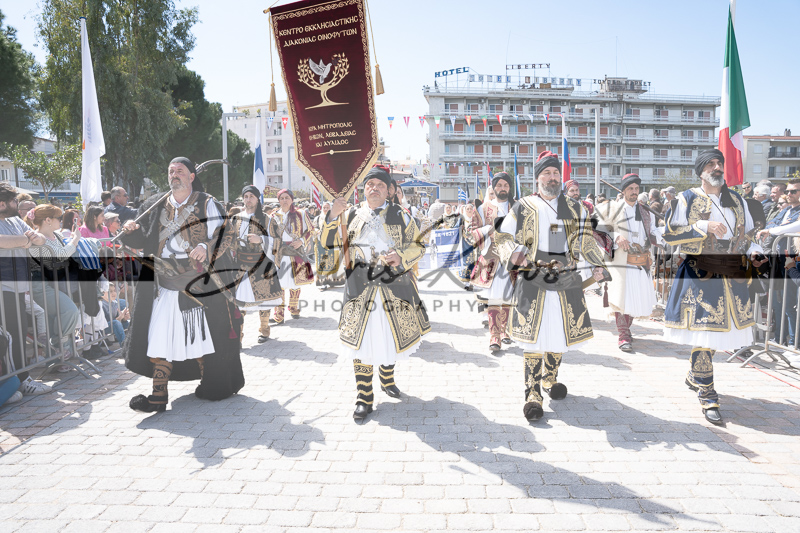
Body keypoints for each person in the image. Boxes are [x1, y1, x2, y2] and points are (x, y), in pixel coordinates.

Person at [119, 157, 244, 413]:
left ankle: (211, 384)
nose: (174, 175)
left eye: (180, 171)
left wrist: (205, 246)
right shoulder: (155, 204)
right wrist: (131, 231)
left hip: (197, 284)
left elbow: (226, 232)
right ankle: (158, 395)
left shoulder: (207, 202)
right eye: (171, 171)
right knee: (159, 337)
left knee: (200, 338)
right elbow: (144, 239)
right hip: (163, 282)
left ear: (191, 176)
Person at [498, 151, 607, 422]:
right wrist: (513, 252)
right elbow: (501, 236)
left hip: (566, 276)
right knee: (534, 337)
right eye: (546, 173)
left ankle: (549, 378)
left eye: (556, 173)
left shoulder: (575, 208)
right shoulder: (522, 206)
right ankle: (532, 393)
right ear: (537, 178)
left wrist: (598, 264)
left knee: (559, 331)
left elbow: (586, 240)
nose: (552, 177)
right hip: (533, 275)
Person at [663, 149, 767, 425]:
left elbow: (746, 235)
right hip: (701, 275)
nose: (717, 167)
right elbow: (669, 235)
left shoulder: (737, 200)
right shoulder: (685, 199)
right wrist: (702, 225)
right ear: (700, 171)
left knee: (719, 335)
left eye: (719, 163)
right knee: (705, 334)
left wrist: (754, 250)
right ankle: (708, 395)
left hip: (732, 274)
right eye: (710, 164)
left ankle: (694, 375)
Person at [322, 166, 429, 421]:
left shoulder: (401, 215)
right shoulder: (349, 214)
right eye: (370, 184)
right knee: (361, 343)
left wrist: (401, 256)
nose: (375, 189)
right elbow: (327, 242)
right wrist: (331, 215)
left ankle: (387, 378)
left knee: (389, 337)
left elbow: (419, 246)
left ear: (389, 190)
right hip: (359, 289)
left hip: (394, 287)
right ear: (363, 189)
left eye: (381, 185)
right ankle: (364, 397)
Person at [595, 174, 664, 351]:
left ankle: (627, 331)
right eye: (630, 189)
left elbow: (653, 231)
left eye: (636, 189)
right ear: (624, 190)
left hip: (640, 261)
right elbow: (597, 228)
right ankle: (623, 335)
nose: (634, 192)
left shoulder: (646, 211)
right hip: (621, 263)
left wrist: (665, 234)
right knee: (621, 299)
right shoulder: (613, 208)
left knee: (635, 300)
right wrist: (616, 236)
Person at [0, 183, 52, 396]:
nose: (17, 203)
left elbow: (40, 238)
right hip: (3, 287)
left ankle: (18, 381)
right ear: (2, 204)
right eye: (14, 201)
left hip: (19, 286)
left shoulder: (14, 221)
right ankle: (19, 380)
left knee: (20, 332)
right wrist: (25, 240)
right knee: (12, 334)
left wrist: (32, 239)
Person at [216, 185, 282, 344]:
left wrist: (261, 240)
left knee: (264, 301)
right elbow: (227, 239)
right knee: (239, 302)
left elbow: (278, 241)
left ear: (257, 199)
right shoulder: (235, 218)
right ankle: (239, 335)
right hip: (240, 265)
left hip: (261, 264)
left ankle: (264, 330)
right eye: (245, 196)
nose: (248, 199)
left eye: (251, 196)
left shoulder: (267, 220)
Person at [27, 205, 82, 360]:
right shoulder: (37, 238)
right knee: (69, 311)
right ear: (48, 220)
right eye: (58, 218)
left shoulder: (56, 235)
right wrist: (75, 239)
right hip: (41, 285)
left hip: (56, 282)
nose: (61, 221)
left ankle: (57, 358)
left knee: (56, 319)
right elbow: (60, 256)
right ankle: (59, 347)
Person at [470, 172, 516, 352]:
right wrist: (487, 230)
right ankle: (494, 335)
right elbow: (471, 231)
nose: (502, 188)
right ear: (494, 187)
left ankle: (505, 331)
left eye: (506, 185)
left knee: (509, 297)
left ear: (509, 188)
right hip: (493, 259)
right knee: (495, 297)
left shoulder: (517, 207)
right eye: (499, 185)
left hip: (513, 258)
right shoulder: (483, 208)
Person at [268, 189, 314, 324]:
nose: (284, 200)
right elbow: (270, 234)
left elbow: (311, 230)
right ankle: (279, 314)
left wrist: (301, 241)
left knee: (295, 283)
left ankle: (294, 308)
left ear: (292, 199)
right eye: (282, 198)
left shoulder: (301, 213)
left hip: (296, 252)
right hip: (280, 253)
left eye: (287, 197)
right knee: (279, 284)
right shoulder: (273, 216)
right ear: (278, 200)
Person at [314, 201, 345, 290]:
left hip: (333, 243)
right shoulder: (318, 218)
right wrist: (317, 231)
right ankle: (323, 283)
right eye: (324, 208)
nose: (326, 209)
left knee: (333, 263)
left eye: (327, 208)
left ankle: (333, 281)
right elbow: (313, 228)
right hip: (321, 244)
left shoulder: (336, 218)